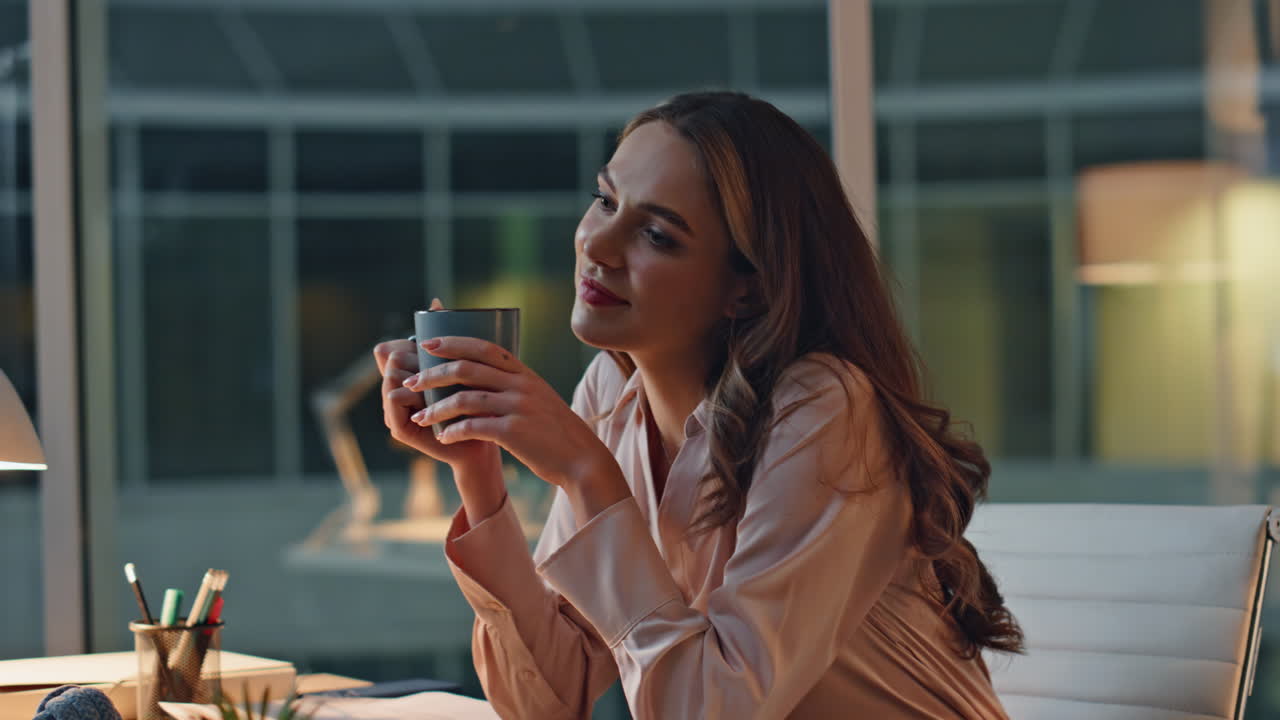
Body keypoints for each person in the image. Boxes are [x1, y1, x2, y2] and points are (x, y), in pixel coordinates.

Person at [374, 91, 1022, 719]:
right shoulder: (610, 390)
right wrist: (478, 471)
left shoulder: (823, 407)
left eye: (656, 235)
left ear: (747, 288)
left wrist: (586, 472)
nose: (597, 246)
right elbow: (547, 699)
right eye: (605, 201)